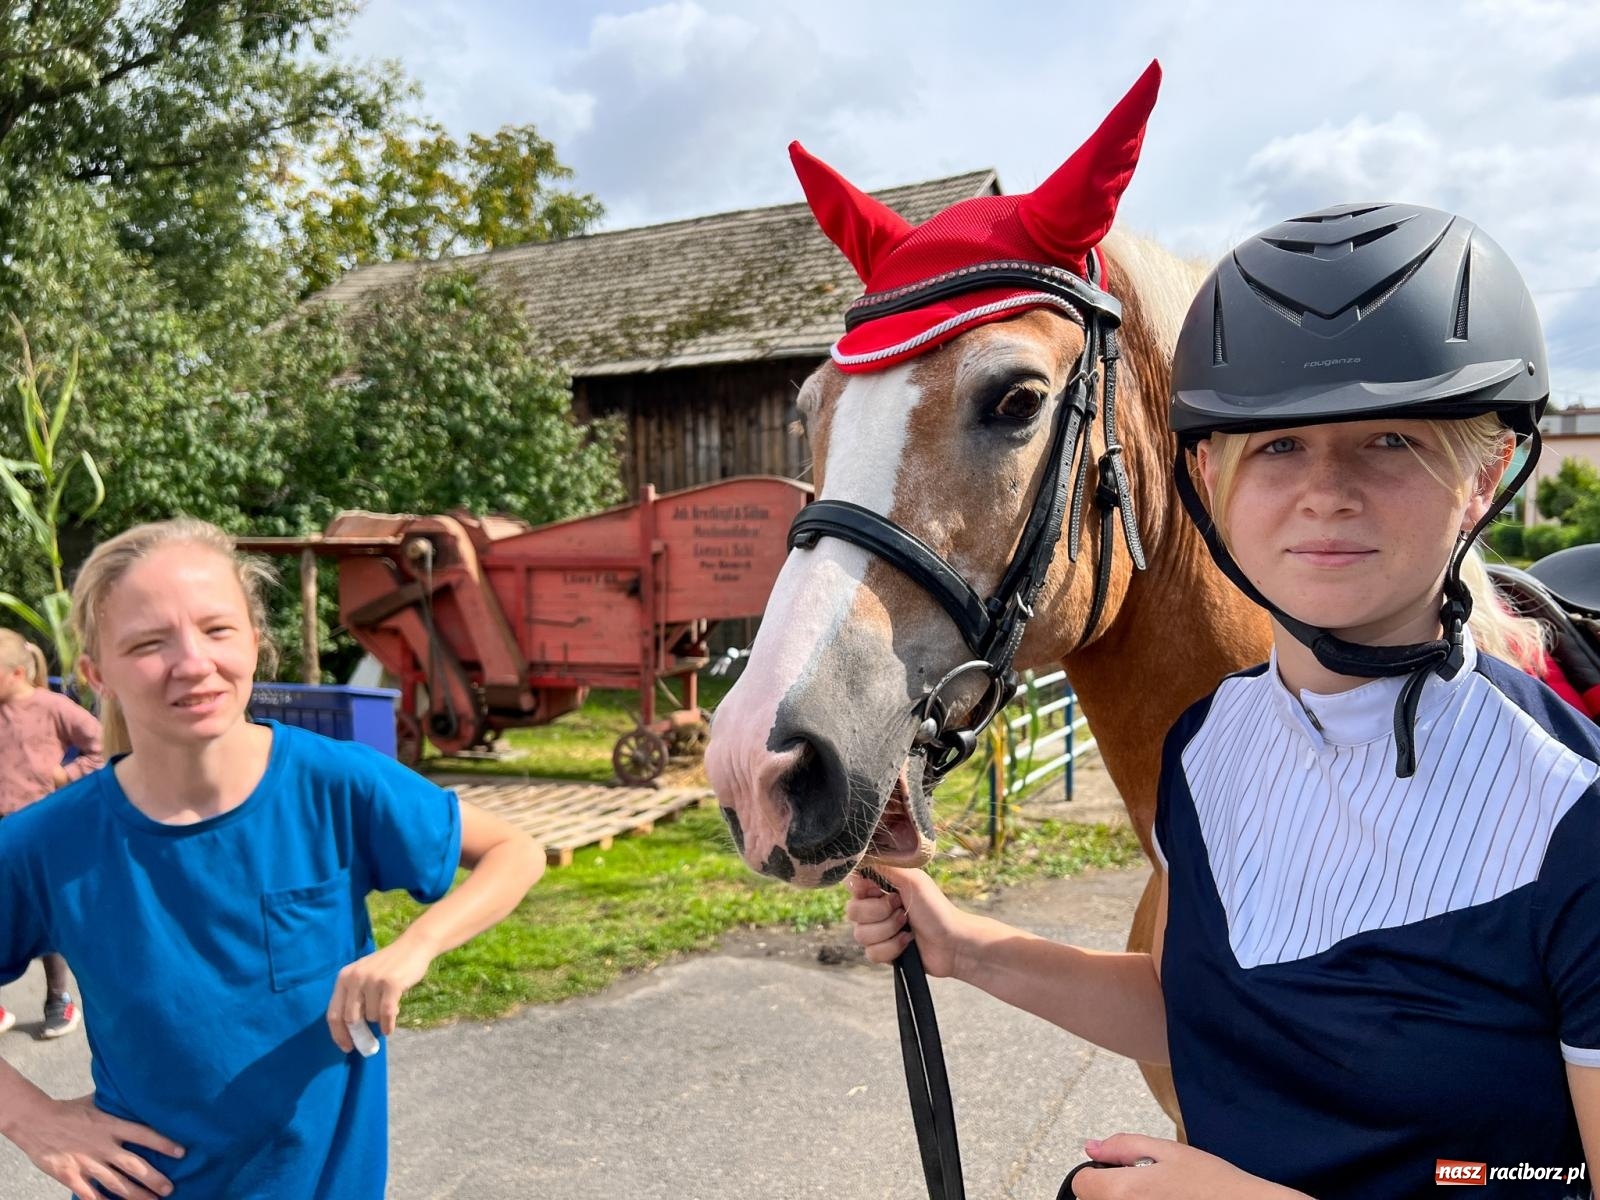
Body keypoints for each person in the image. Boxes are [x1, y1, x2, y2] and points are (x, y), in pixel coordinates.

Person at [848, 204, 1600, 1198]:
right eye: (1276, 446)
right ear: (1206, 475)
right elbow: (1214, 1008)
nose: (1324, 491)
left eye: (1389, 441)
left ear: (1483, 475)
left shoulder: (1572, 812)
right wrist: (968, 948)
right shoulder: (1208, 745)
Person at [0, 518, 547, 1199]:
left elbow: (515, 850)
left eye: (218, 629)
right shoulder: (50, 844)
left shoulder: (335, 785)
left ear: (257, 643)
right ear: (95, 673)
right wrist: (30, 1117)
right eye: (147, 643)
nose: (194, 663)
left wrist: (416, 947)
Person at [0, 629, 104, 1040]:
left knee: (44, 917)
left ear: (17, 673)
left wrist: (65, 775)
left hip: (37, 829)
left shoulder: (51, 706)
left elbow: (102, 746)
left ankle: (58, 999)